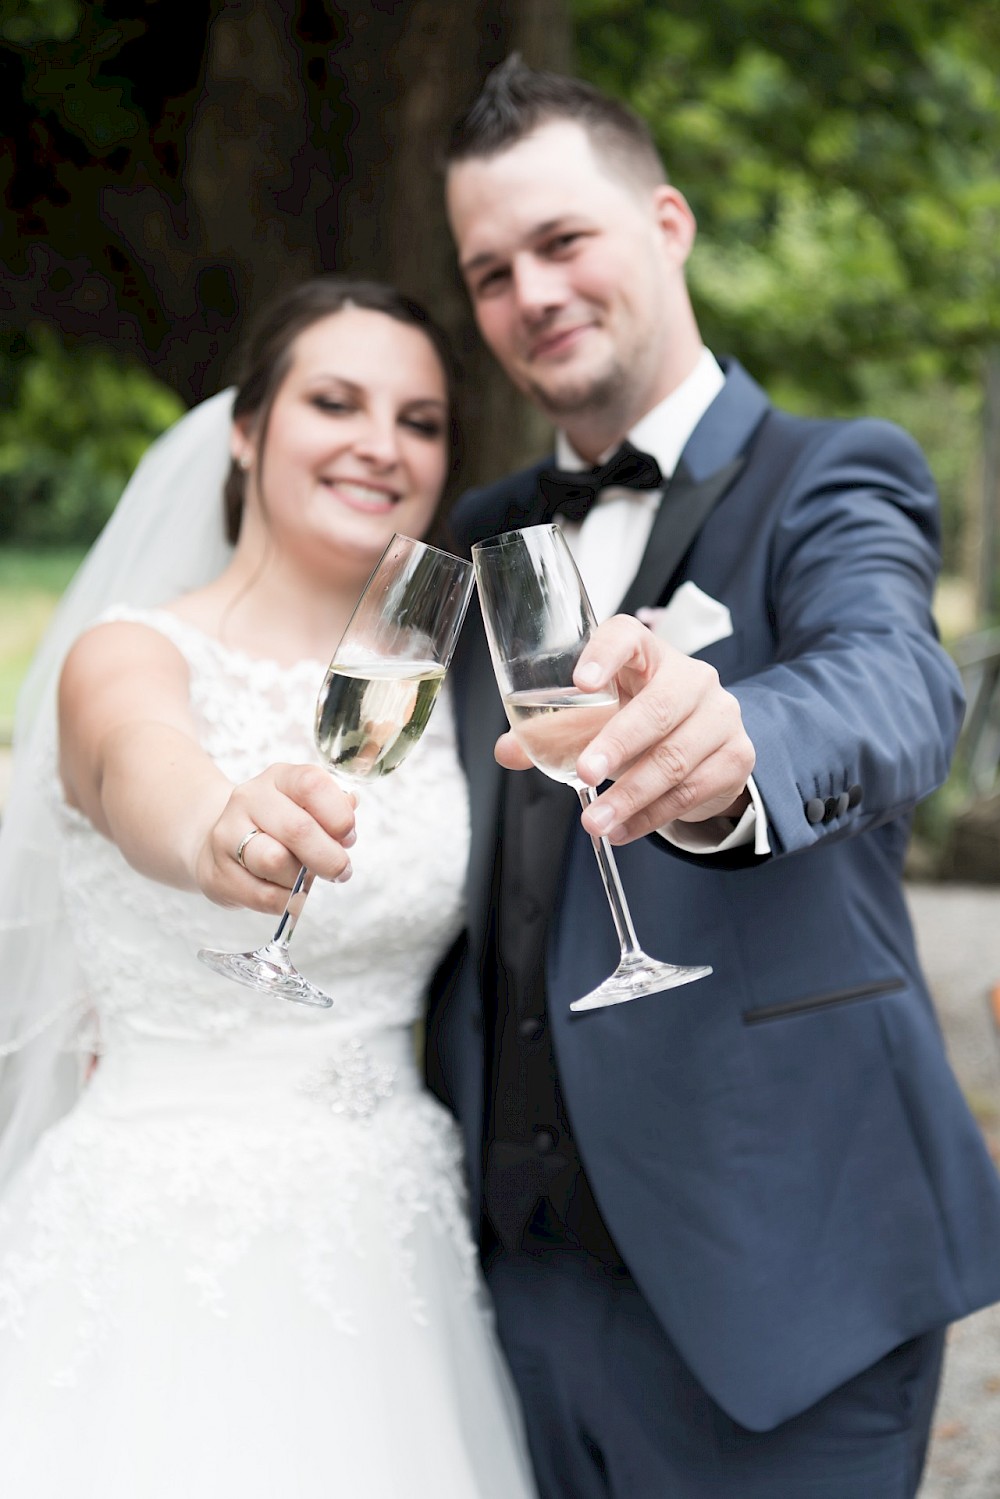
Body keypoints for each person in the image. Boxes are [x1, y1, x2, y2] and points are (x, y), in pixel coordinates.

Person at [423, 55, 1000, 1498]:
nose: (531, 293)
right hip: (505, 1292)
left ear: (667, 223)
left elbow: (891, 681)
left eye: (563, 241)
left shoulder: (832, 473)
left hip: (780, 1279)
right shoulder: (480, 534)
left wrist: (736, 751)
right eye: (492, 271)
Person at [0, 277, 537, 1498]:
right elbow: (146, 767)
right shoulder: (127, 651)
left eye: (418, 419)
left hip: (393, 1238)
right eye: (334, 401)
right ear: (244, 430)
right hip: (157, 1242)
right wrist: (216, 832)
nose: (379, 444)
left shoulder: (443, 686)